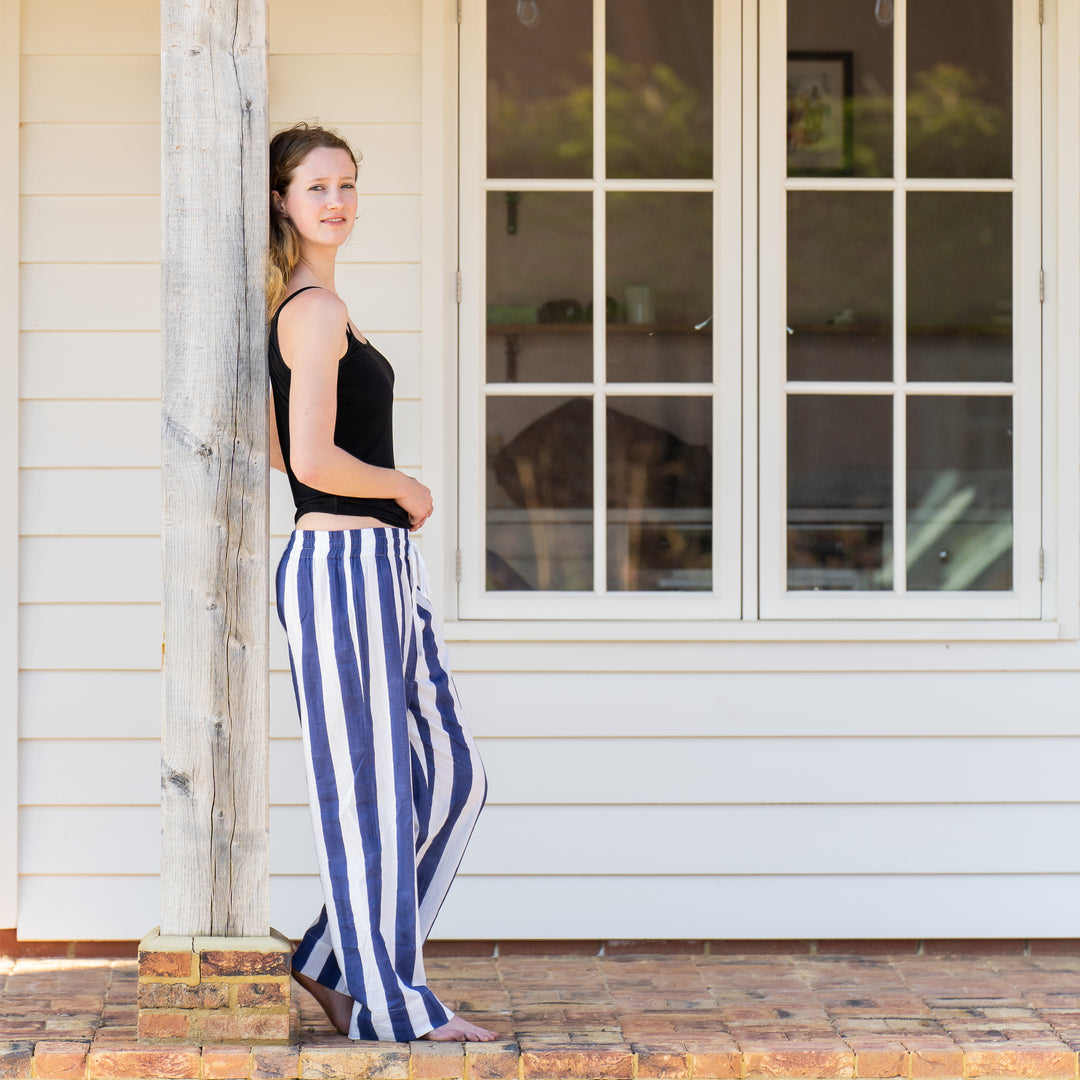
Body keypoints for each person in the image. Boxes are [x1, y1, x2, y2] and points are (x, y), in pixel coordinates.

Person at [266, 122, 496, 1043]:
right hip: (339, 563)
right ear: (281, 199)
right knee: (369, 792)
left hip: (380, 565)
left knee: (454, 778)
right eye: (318, 186)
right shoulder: (309, 310)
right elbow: (310, 458)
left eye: (348, 185)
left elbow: (280, 439)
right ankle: (393, 1007)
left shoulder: (324, 304)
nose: (337, 202)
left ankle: (328, 960)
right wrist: (401, 485)